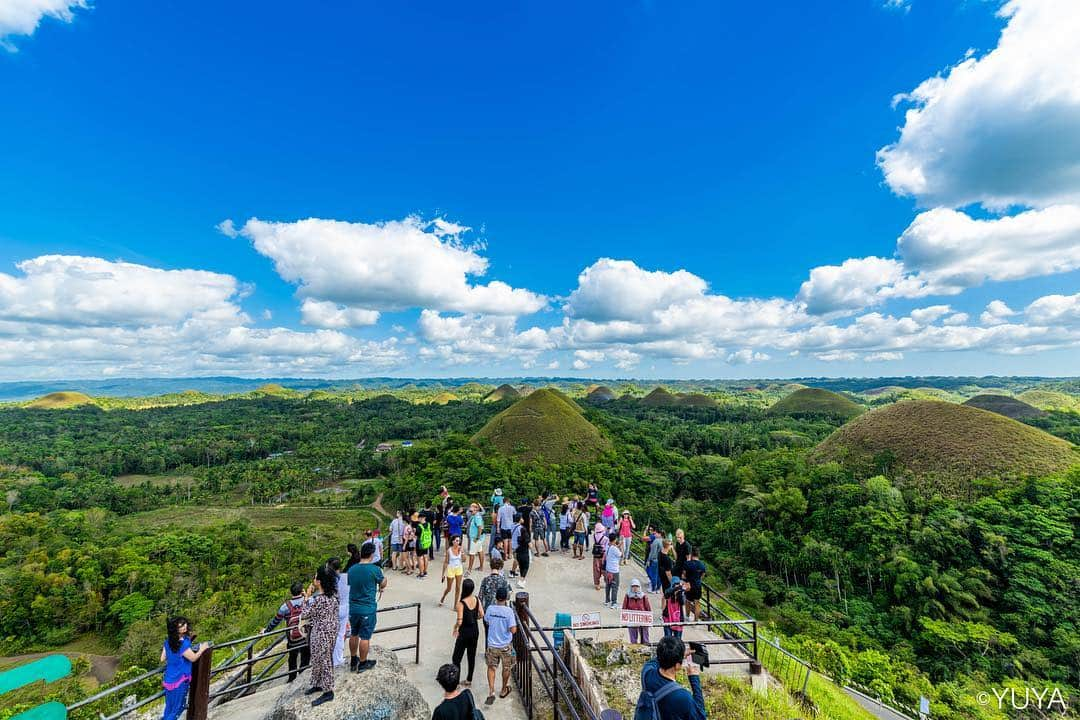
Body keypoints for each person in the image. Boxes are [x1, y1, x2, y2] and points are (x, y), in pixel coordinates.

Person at [638, 636, 706, 720]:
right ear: (677, 665)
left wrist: (675, 654)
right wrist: (694, 678)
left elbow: (656, 660)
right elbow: (701, 717)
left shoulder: (647, 672)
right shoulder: (683, 697)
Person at [302, 563, 340, 707]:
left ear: (319, 581)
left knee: (323, 659)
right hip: (332, 629)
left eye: (316, 576)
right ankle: (317, 683)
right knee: (320, 657)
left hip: (321, 631)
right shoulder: (334, 595)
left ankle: (328, 691)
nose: (314, 578)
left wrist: (306, 598)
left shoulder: (319, 599)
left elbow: (305, 614)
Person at [347, 542, 386, 672]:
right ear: (371, 554)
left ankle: (353, 659)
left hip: (353, 608)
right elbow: (383, 582)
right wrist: (383, 581)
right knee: (365, 637)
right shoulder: (374, 569)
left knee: (354, 633)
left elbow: (350, 583)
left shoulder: (352, 569)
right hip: (367, 609)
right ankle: (363, 663)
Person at [161, 616, 210, 720]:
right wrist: (202, 649)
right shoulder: (182, 644)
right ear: (175, 629)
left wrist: (175, 656)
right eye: (181, 626)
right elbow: (193, 658)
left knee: (169, 708)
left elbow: (163, 658)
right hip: (180, 679)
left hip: (169, 679)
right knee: (177, 709)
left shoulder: (168, 641)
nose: (185, 626)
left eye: (184, 624)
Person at [263, 581, 311, 682]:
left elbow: (275, 621)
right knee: (305, 656)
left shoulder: (285, 606)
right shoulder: (308, 601)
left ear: (291, 593)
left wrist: (266, 631)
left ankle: (292, 678)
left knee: (292, 657)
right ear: (302, 591)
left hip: (292, 639)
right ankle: (302, 676)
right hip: (306, 635)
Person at [484, 585, 517, 706]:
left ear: (496, 597)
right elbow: (513, 630)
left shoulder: (490, 609)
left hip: (492, 644)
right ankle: (503, 689)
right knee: (506, 667)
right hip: (505, 645)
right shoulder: (508, 612)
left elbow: (487, 621)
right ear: (506, 598)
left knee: (491, 667)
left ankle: (491, 691)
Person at [451, 578, 484, 687]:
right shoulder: (476, 599)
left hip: (464, 632)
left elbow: (459, 621)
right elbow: (482, 614)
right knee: (471, 656)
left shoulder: (461, 604)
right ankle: (469, 679)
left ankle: (456, 681)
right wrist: (475, 618)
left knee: (456, 658)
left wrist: (455, 628)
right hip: (474, 630)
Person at [329, 558, 350, 667]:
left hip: (334, 608)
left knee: (332, 634)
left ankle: (334, 659)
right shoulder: (346, 577)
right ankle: (338, 658)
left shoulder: (329, 580)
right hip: (345, 608)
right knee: (340, 634)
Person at [622, 578, 651, 645]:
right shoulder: (627, 596)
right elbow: (624, 608)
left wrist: (649, 620)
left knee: (645, 638)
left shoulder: (643, 596)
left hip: (643, 620)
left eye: (637, 586)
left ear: (639, 587)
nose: (635, 588)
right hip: (632, 619)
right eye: (633, 586)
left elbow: (648, 608)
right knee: (633, 638)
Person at [682, 549, 707, 621]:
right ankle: (696, 620)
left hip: (689, 584)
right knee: (697, 602)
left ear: (692, 555)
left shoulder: (687, 563)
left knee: (688, 601)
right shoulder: (702, 564)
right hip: (698, 585)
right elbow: (702, 575)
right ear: (698, 555)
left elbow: (684, 574)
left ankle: (687, 616)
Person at [440, 535, 465, 607]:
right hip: (451, 569)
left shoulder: (460, 549)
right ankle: (443, 597)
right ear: (453, 541)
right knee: (449, 588)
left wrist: (462, 553)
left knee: (458, 587)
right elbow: (446, 562)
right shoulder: (449, 550)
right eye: (457, 541)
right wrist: (443, 574)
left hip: (459, 569)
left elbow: (464, 560)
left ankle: (455, 605)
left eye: (459, 541)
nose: (458, 542)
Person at [511, 512, 530, 588]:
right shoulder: (522, 528)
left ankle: (514, 573)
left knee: (518, 561)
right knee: (525, 565)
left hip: (514, 547)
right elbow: (526, 540)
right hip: (521, 548)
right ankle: (521, 580)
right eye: (522, 518)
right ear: (519, 519)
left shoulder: (512, 526)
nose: (523, 519)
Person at [604, 532, 622, 609]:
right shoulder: (614, 549)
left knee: (608, 585)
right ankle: (614, 603)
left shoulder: (608, 546)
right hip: (614, 570)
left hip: (608, 569)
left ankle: (607, 600)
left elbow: (613, 550)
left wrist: (618, 545)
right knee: (615, 586)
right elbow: (621, 555)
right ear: (615, 539)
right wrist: (621, 546)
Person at [466, 502, 486, 574]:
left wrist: (477, 537)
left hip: (475, 538)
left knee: (472, 553)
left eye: (472, 507)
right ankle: (481, 567)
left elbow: (480, 527)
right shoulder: (475, 515)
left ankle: (469, 569)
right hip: (478, 538)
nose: (470, 509)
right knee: (480, 551)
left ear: (476, 509)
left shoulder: (477, 516)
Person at [496, 497, 516, 561]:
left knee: (505, 541)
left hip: (503, 527)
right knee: (510, 541)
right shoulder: (512, 507)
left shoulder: (500, 508)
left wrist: (498, 528)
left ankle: (505, 556)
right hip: (511, 526)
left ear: (503, 501)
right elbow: (515, 514)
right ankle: (510, 554)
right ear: (508, 501)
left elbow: (498, 519)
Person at [591, 522, 609, 591]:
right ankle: (607, 582)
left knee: (596, 569)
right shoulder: (605, 538)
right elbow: (606, 548)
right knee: (604, 569)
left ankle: (597, 584)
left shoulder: (594, 536)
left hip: (596, 555)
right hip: (603, 555)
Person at [645, 527, 663, 593]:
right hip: (660, 560)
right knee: (658, 575)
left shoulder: (656, 541)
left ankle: (653, 588)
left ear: (660, 534)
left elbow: (652, 552)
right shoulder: (663, 541)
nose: (655, 534)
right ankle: (658, 588)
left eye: (657, 533)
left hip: (654, 560)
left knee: (653, 575)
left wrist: (649, 560)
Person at [416, 512, 433, 578]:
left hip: (420, 543)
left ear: (420, 518)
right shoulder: (429, 525)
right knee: (425, 557)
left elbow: (417, 534)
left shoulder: (419, 526)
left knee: (420, 558)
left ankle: (421, 573)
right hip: (427, 543)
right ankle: (425, 571)